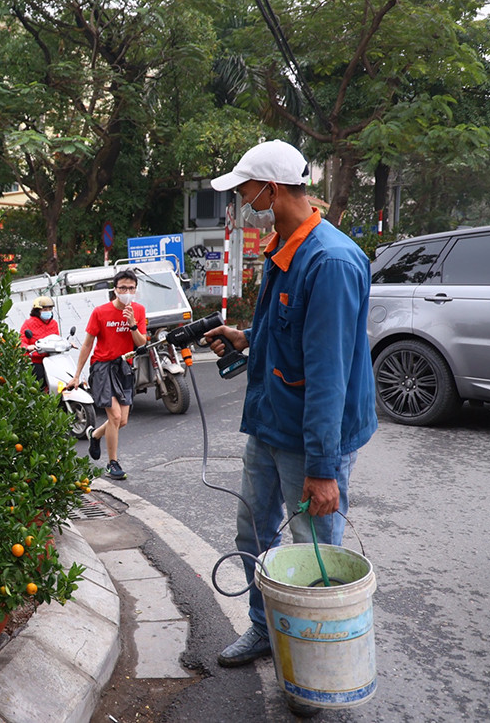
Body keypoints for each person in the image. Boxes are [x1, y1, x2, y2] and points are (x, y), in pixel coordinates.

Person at [204, 140, 377, 675]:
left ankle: (313, 660)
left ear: (272, 190)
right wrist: (246, 335)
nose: (242, 199)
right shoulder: (285, 248)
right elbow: (291, 333)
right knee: (253, 532)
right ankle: (264, 627)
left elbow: (329, 376)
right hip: (271, 425)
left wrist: (324, 472)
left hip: (312, 440)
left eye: (246, 190)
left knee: (311, 552)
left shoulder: (330, 261)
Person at [65, 269, 147, 481]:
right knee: (115, 416)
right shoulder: (100, 312)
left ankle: (95, 434)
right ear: (115, 289)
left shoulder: (138, 311)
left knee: (123, 421)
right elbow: (87, 344)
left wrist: (132, 324)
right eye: (123, 288)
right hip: (102, 367)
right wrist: (77, 375)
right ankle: (113, 463)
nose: (127, 291)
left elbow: (141, 343)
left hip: (124, 367)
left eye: (131, 288)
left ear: (135, 289)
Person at [19, 296, 60, 390]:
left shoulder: (54, 324)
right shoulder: (28, 324)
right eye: (45, 309)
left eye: (50, 309)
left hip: (52, 360)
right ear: (37, 311)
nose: (48, 311)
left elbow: (57, 339)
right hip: (36, 361)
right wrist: (28, 347)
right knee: (39, 386)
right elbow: (21, 341)